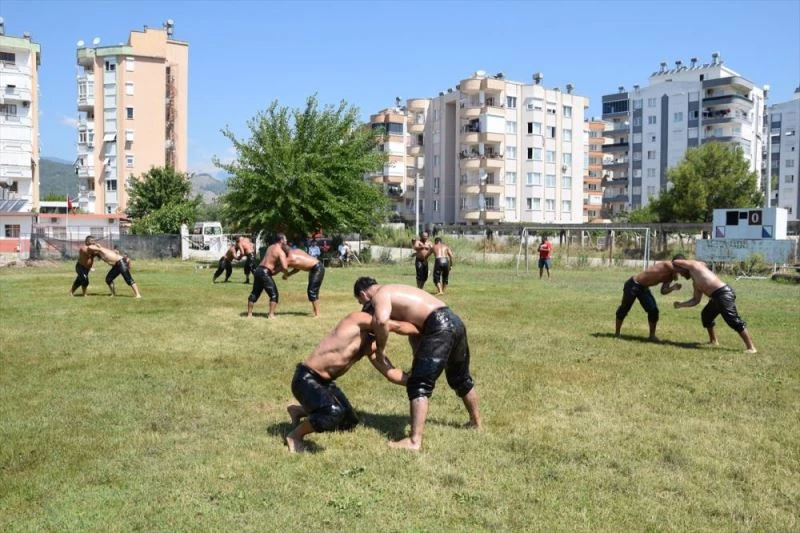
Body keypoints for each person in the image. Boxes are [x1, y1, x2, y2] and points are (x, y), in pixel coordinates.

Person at [353, 277, 481, 451]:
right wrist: (418, 361)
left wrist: (381, 349)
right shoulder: (398, 290)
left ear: (363, 294)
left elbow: (382, 321)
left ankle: (414, 441)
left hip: (439, 325)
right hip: (455, 321)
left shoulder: (380, 295)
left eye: (361, 302)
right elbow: (416, 332)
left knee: (418, 384)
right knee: (460, 378)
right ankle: (476, 423)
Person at [285, 311, 418, 453]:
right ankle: (295, 436)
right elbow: (390, 325)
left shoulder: (370, 345)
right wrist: (424, 328)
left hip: (325, 383)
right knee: (333, 413)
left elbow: (391, 373)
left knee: (349, 422)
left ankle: (298, 410)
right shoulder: (356, 319)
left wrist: (418, 381)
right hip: (306, 379)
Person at [672, 257, 757, 353]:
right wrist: (681, 305)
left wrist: (673, 267)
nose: (681, 275)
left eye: (681, 272)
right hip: (715, 297)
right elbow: (695, 300)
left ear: (683, 266)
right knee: (706, 315)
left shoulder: (695, 266)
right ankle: (713, 341)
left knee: (733, 320)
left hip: (723, 294)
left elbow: (675, 261)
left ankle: (751, 348)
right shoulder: (696, 282)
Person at [615, 257, 684, 342]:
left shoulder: (670, 276)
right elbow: (676, 270)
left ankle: (652, 336)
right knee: (624, 308)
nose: (682, 267)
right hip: (633, 284)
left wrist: (673, 288)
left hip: (643, 288)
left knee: (653, 311)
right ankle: (617, 333)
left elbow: (663, 291)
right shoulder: (667, 264)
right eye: (681, 264)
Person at [246, 233, 289, 319]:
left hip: (258, 270)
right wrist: (286, 274)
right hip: (265, 272)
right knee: (274, 295)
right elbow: (284, 266)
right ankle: (271, 315)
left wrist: (275, 270)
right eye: (285, 239)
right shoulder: (280, 251)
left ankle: (249, 314)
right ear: (281, 240)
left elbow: (271, 261)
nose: (286, 241)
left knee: (255, 293)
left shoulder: (270, 247)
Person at [282, 246, 326, 317]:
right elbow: (298, 267)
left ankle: (318, 314)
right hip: (315, 268)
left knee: (312, 291)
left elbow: (280, 267)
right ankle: (316, 311)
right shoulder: (297, 251)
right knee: (313, 291)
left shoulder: (290, 258)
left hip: (317, 268)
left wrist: (284, 274)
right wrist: (289, 274)